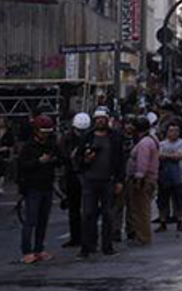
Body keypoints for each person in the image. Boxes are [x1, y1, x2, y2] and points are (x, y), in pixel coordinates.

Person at [78, 107, 124, 258]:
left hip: (108, 181)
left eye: (103, 118)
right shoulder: (87, 136)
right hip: (90, 180)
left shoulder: (115, 137)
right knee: (88, 214)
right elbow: (78, 158)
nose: (100, 121)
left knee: (108, 215)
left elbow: (120, 160)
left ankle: (107, 246)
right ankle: (87, 246)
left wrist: (119, 180)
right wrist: (86, 160)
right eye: (97, 118)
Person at [16, 116, 60, 264]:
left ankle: (39, 249)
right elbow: (22, 166)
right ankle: (27, 251)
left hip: (47, 185)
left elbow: (59, 159)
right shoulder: (28, 147)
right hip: (33, 187)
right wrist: (39, 162)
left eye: (48, 132)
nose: (45, 135)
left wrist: (52, 160)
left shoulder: (51, 144)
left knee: (43, 220)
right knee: (31, 220)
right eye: (43, 132)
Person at [125, 117, 159, 246]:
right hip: (148, 178)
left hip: (144, 180)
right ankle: (142, 236)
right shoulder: (151, 139)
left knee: (141, 209)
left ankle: (143, 237)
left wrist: (139, 179)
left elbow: (142, 163)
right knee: (141, 209)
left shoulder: (144, 143)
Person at [60, 113, 90, 247]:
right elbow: (62, 155)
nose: (80, 134)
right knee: (74, 209)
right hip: (72, 175)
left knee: (88, 209)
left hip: (86, 175)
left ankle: (87, 237)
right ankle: (75, 237)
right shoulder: (67, 138)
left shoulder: (91, 136)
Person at [157, 122, 182, 232]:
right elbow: (158, 156)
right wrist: (172, 156)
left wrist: (165, 156)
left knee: (180, 200)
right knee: (162, 201)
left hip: (179, 176)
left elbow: (179, 156)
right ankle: (162, 222)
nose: (174, 133)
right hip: (164, 176)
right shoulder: (161, 144)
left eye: (176, 131)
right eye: (171, 130)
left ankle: (180, 221)